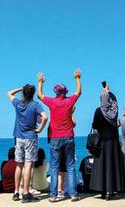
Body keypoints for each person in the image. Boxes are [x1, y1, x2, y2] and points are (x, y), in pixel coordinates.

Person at [37, 69, 82, 203]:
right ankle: (73, 194)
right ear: (65, 92)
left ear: (56, 92)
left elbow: (40, 95)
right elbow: (79, 92)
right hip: (68, 136)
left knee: (55, 167)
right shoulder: (69, 102)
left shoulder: (52, 102)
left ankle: (53, 195)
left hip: (55, 137)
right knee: (70, 166)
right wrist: (78, 78)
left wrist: (40, 82)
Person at [8, 83, 48, 202]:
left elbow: (9, 93)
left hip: (18, 137)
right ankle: (26, 193)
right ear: (33, 93)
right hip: (30, 136)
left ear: (24, 93)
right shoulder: (36, 105)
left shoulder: (18, 103)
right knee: (28, 164)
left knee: (19, 164)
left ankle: (16, 192)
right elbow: (45, 117)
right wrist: (40, 129)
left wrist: (21, 88)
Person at [90, 84, 125, 200]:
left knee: (102, 166)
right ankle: (111, 191)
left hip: (102, 141)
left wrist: (105, 92)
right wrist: (109, 92)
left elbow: (94, 125)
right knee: (112, 165)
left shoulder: (98, 111)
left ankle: (103, 191)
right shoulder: (114, 110)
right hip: (113, 141)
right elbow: (115, 101)